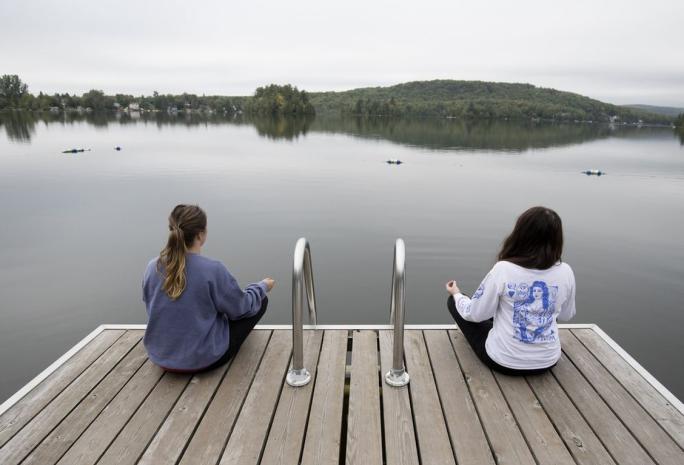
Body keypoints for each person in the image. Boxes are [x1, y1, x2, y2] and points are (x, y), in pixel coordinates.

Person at [142, 204, 275, 373]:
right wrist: (262, 286)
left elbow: (152, 306)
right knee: (259, 300)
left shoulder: (152, 267)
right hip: (204, 359)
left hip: (160, 357)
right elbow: (241, 308)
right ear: (200, 234)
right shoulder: (212, 270)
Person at [445, 206, 576, 376]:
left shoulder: (503, 269)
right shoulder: (565, 271)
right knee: (501, 310)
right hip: (547, 361)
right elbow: (566, 315)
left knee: (455, 303)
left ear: (520, 235)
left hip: (503, 361)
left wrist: (456, 294)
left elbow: (475, 314)